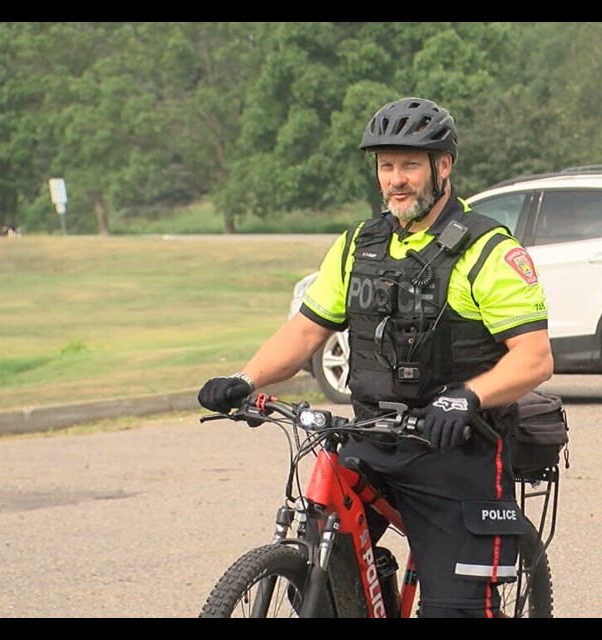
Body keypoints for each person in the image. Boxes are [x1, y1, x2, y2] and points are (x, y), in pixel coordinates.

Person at [197, 97, 554, 618]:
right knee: (320, 562)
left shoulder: (488, 251)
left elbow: (534, 359)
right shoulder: (357, 245)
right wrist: (244, 379)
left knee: (454, 611)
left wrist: (466, 398)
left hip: (454, 452)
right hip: (373, 441)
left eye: (409, 164)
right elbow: (304, 333)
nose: (396, 179)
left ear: (443, 165)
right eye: (386, 166)